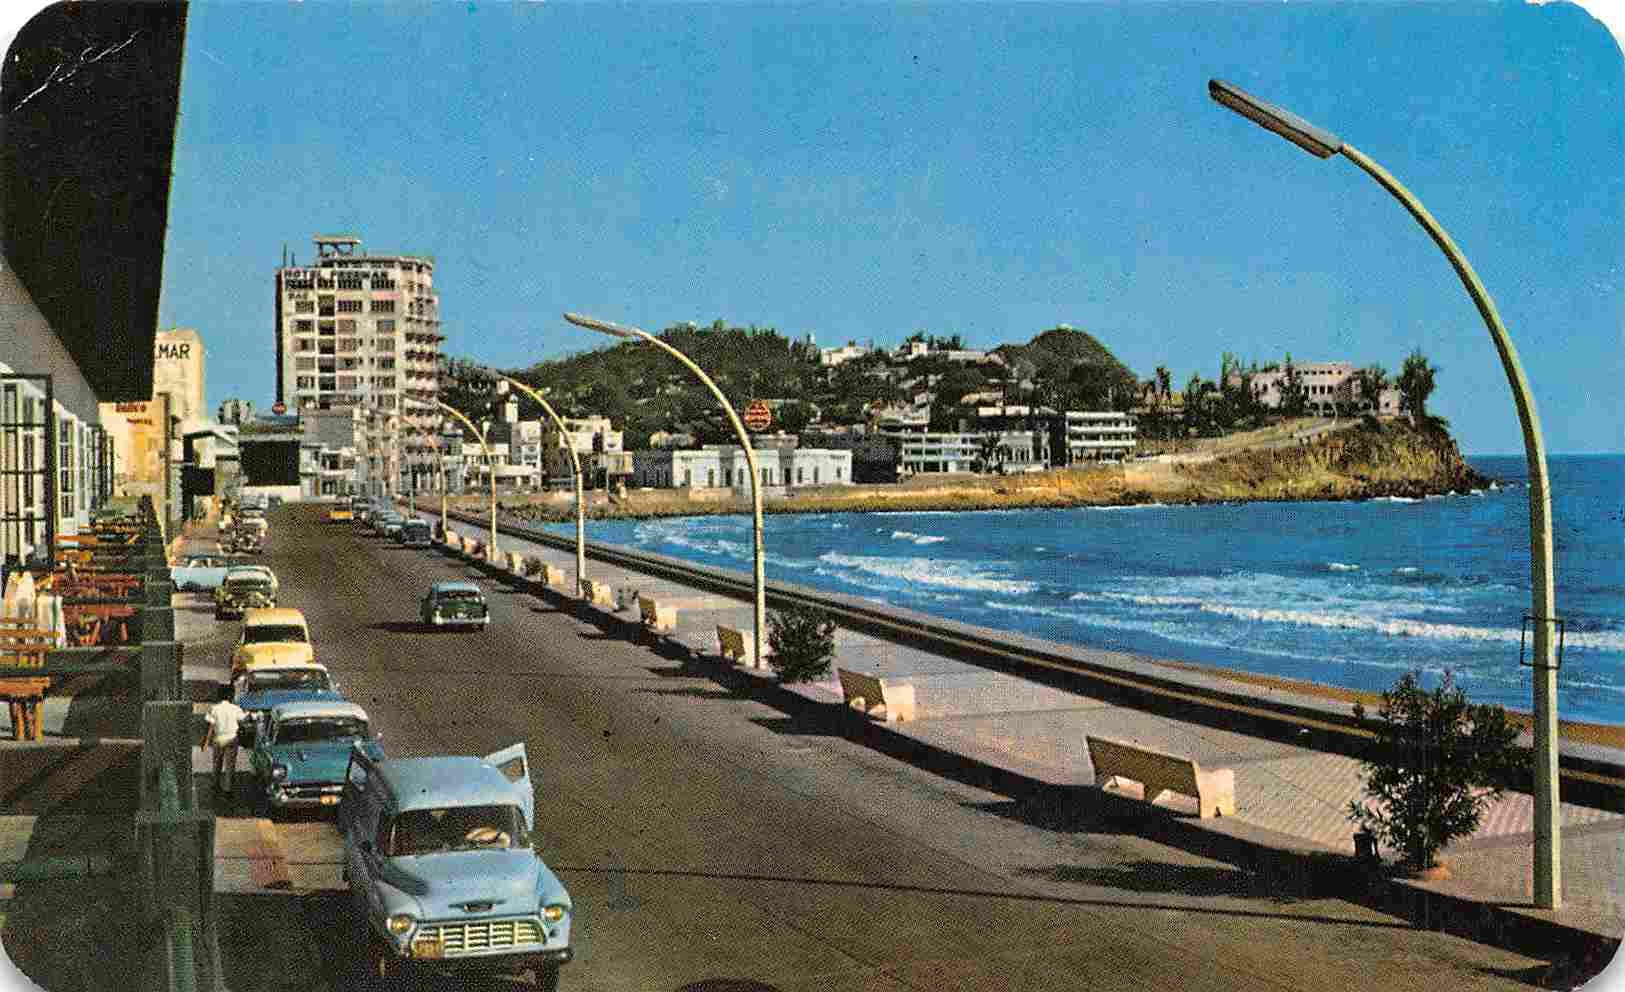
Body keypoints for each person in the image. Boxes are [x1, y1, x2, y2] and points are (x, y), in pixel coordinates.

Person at [200, 684, 247, 795]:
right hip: (232, 738)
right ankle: (228, 788)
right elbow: (243, 719)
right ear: (231, 695)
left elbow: (210, 726)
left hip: (218, 739)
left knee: (217, 763)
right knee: (230, 765)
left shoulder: (214, 709)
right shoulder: (235, 708)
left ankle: (215, 784)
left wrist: (206, 741)